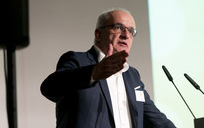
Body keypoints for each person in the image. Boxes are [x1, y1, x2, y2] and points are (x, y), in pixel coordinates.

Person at [40, 9, 176, 128]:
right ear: (98, 34)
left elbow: (155, 119)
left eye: (130, 30)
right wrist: (93, 73)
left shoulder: (132, 75)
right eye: (118, 27)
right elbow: (49, 88)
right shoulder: (77, 60)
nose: (126, 35)